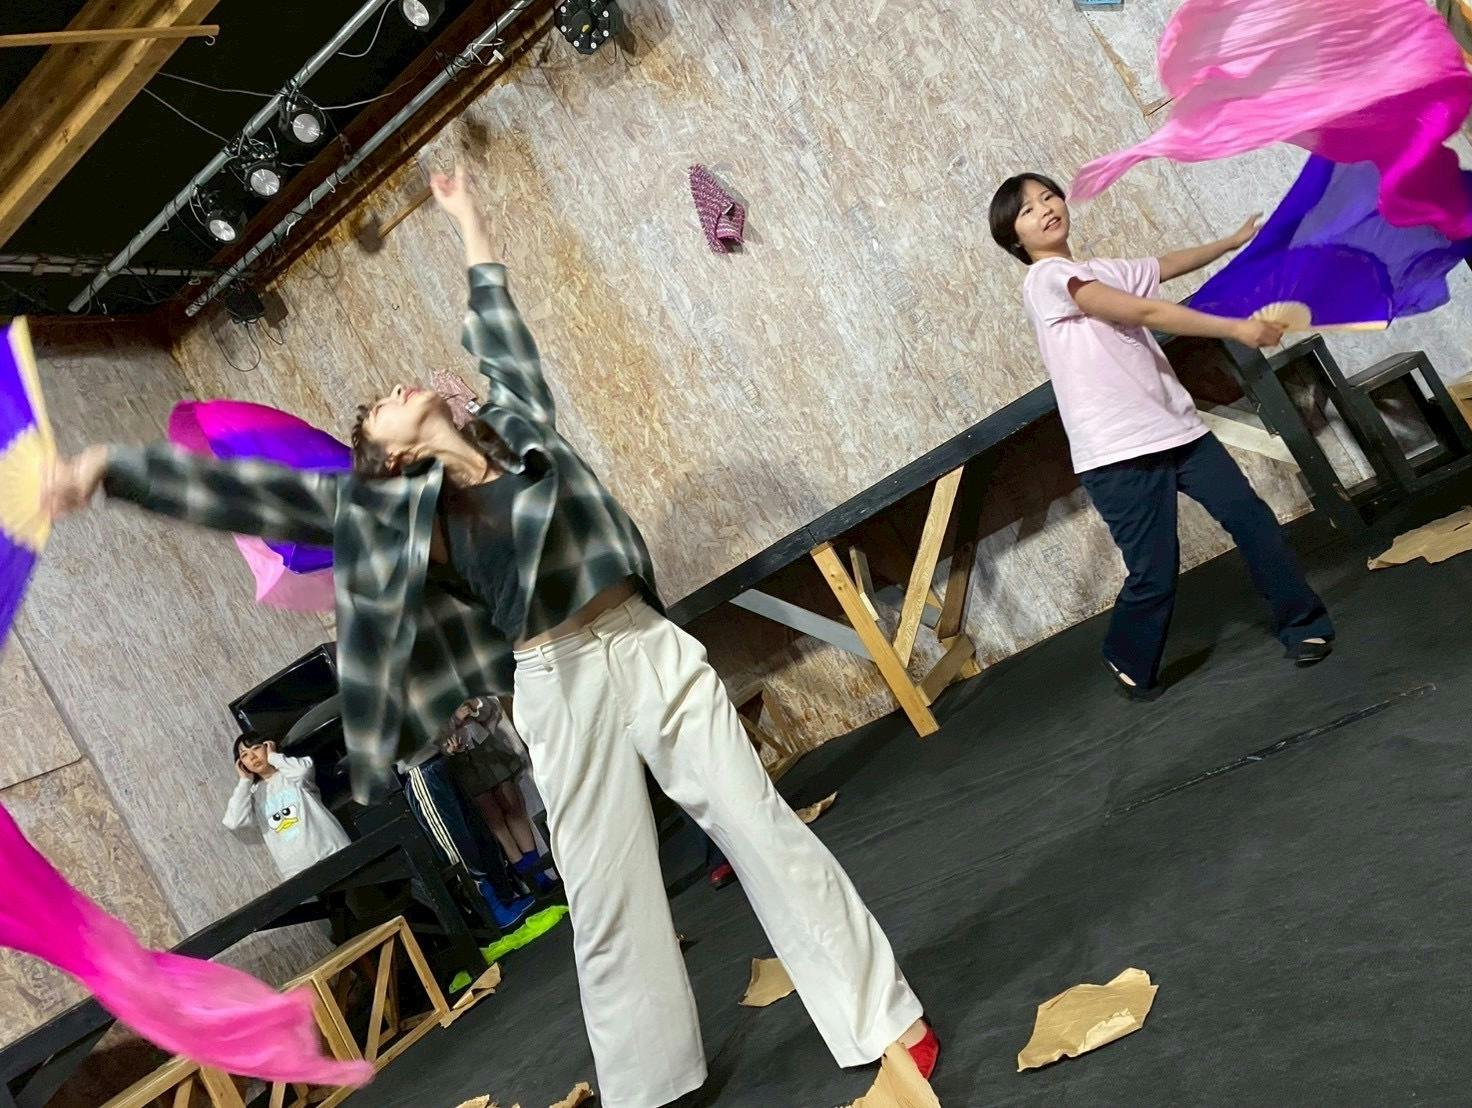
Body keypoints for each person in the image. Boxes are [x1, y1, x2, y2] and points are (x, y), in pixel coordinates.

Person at [45, 166, 937, 1107]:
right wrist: (109, 470)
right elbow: (257, 498)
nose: (392, 389)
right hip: (556, 678)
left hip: (643, 645)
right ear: (389, 456)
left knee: (760, 827)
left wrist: (467, 219)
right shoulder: (401, 515)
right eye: (377, 408)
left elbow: (502, 337)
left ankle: (882, 1020)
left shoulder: (518, 426)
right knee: (606, 893)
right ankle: (652, 1089)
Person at [988, 173, 1335, 701]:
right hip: (1117, 453)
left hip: (1178, 431)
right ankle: (1126, 653)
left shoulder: (1100, 270)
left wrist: (1230, 241)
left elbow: (1164, 265)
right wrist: (1236, 328)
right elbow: (1144, 311)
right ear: (1015, 237)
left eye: (1048, 196)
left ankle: (1303, 624)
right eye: (1027, 210)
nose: (1046, 208)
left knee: (1253, 522)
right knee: (1154, 572)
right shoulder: (1047, 280)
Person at [446, 696, 558, 894]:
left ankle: (539, 871)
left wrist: (473, 707)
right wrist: (453, 721)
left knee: (513, 807)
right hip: (459, 759)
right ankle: (528, 877)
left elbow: (487, 708)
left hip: (484, 746)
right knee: (494, 820)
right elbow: (428, 739)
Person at [223, 733, 350, 880]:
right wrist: (245, 781)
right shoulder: (252, 795)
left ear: (268, 746)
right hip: (297, 872)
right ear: (241, 764)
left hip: (334, 853)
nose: (252, 757)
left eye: (256, 748)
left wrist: (274, 757)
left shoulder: (291, 775)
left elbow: (302, 771)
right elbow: (234, 821)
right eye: (244, 755)